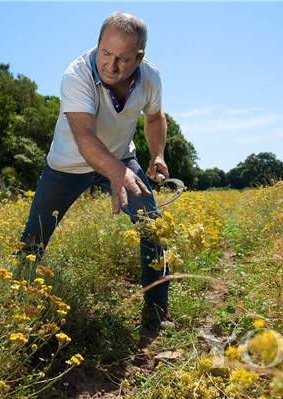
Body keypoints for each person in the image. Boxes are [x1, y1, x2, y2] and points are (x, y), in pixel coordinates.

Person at [18, 12, 171, 345]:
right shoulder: (76, 75)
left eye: (122, 59)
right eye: (105, 53)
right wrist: (116, 174)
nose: (111, 66)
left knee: (153, 226)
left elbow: (155, 118)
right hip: (67, 166)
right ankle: (14, 305)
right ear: (98, 44)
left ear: (140, 58)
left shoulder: (150, 78)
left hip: (120, 157)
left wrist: (157, 155)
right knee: (33, 240)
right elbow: (85, 138)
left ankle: (156, 312)